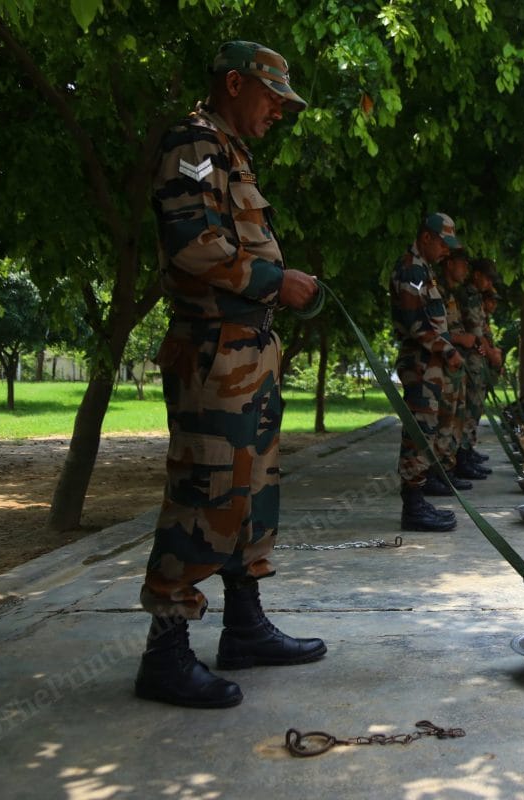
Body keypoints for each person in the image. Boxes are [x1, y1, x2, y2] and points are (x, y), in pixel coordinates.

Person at [137, 40, 327, 709]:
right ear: (236, 83)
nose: (280, 111)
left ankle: (244, 628)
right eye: (273, 97)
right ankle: (164, 654)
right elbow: (193, 246)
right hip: (214, 354)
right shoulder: (192, 144)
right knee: (206, 494)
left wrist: (276, 291)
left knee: (251, 494)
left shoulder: (232, 152)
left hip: (252, 352)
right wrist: (276, 280)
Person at [390, 213, 469, 532]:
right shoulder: (411, 269)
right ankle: (412, 505)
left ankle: (419, 497)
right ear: (426, 237)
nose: (446, 251)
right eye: (442, 243)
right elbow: (413, 324)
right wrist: (447, 349)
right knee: (419, 432)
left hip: (432, 364)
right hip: (421, 363)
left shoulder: (425, 271)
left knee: (431, 429)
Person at [437, 249, 488, 481]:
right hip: (442, 361)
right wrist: (460, 339)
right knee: (444, 418)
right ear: (449, 264)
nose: (465, 269)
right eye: (461, 264)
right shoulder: (438, 290)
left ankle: (453, 462)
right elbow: (431, 330)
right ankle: (440, 469)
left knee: (457, 415)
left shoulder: (452, 293)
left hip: (456, 361)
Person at [458, 257, 503, 464]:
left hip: (478, 360)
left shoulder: (476, 296)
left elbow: (483, 332)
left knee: (475, 408)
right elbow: (476, 333)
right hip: (470, 360)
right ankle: (462, 454)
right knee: (469, 408)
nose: (489, 284)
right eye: (487, 279)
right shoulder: (469, 295)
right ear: (477, 275)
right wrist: (492, 354)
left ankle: (468, 449)